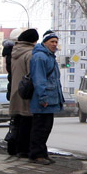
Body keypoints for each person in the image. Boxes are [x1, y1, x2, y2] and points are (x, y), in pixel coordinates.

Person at [28, 30, 64, 164]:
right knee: (40, 128)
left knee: (46, 128)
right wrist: (43, 98)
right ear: (45, 43)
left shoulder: (49, 57)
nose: (55, 44)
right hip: (43, 101)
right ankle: (36, 155)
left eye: (56, 42)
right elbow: (39, 80)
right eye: (52, 42)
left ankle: (42, 153)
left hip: (50, 99)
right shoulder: (40, 57)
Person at [7, 29, 38, 158]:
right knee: (27, 121)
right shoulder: (29, 54)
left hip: (16, 91)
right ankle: (23, 150)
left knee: (17, 122)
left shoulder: (15, 52)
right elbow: (32, 75)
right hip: (26, 93)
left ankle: (15, 148)